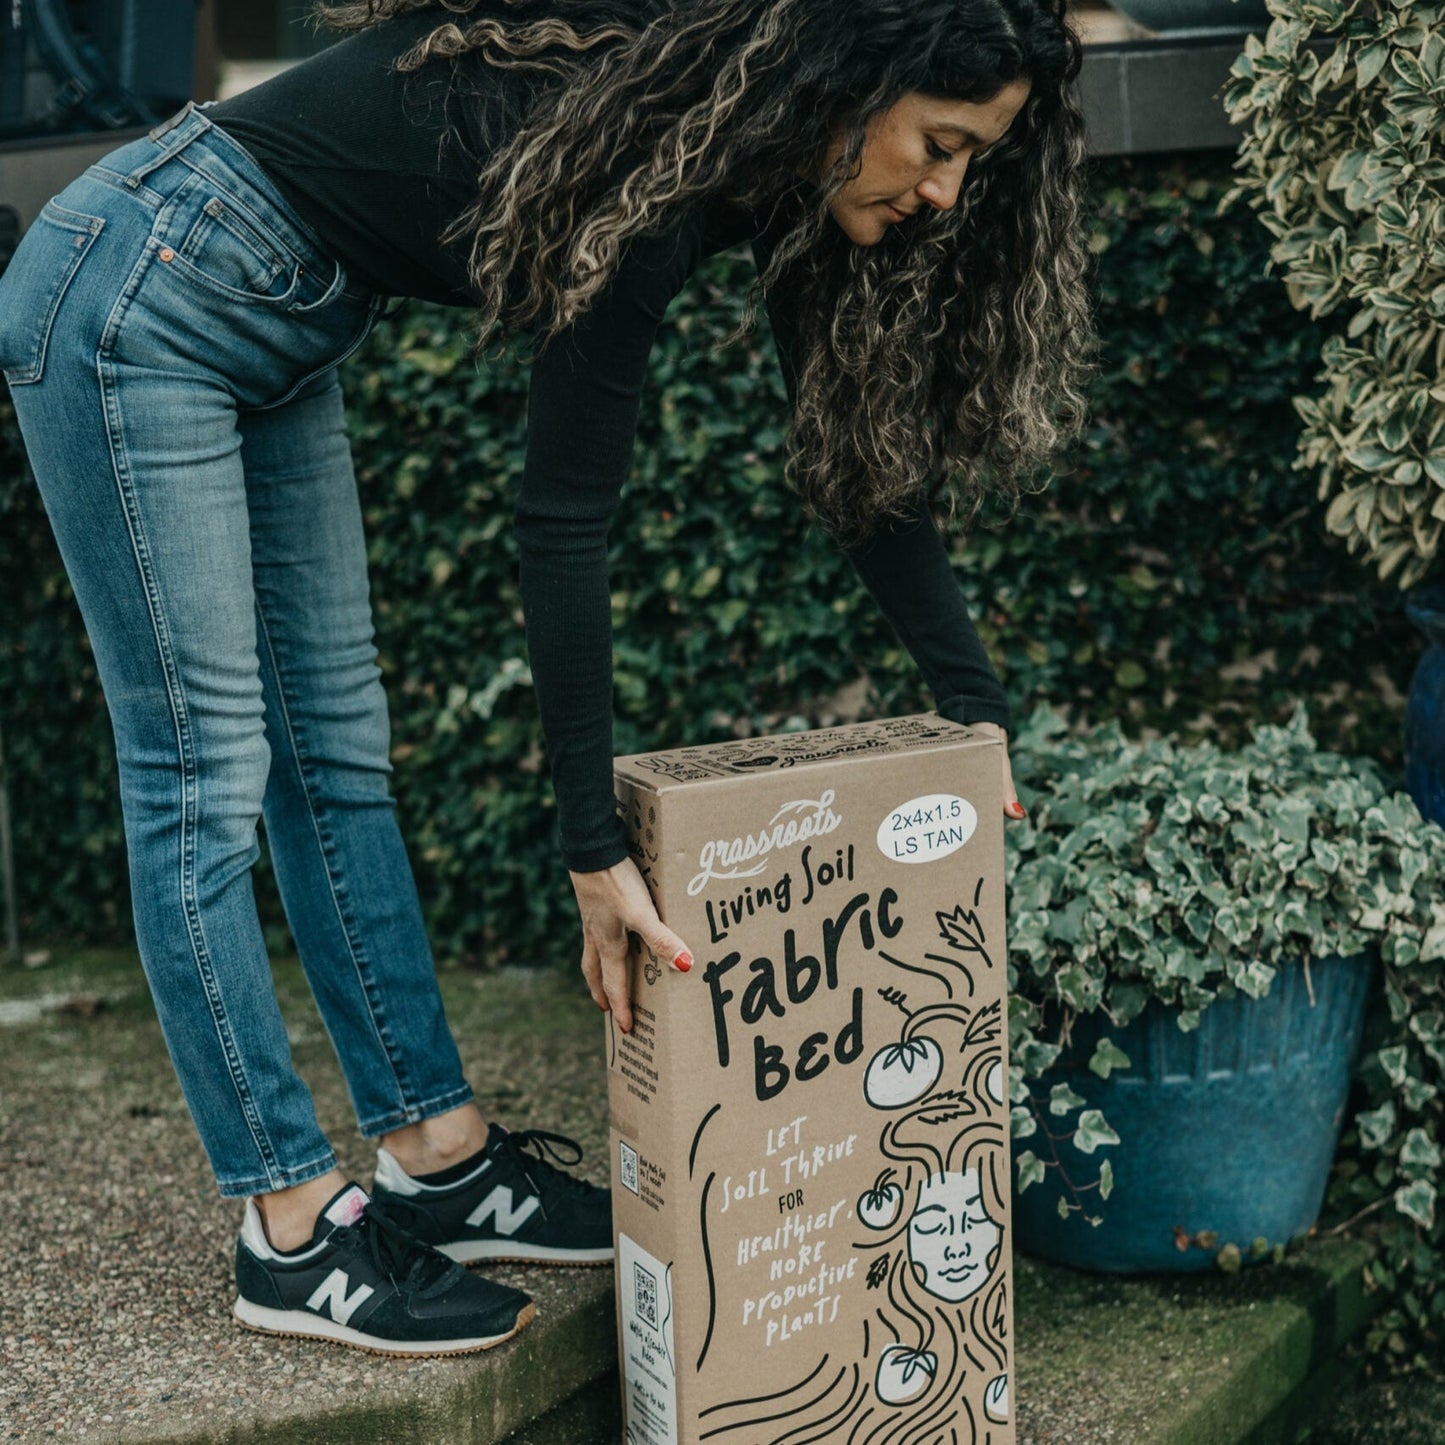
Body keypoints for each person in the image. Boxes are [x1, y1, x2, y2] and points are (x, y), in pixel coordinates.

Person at [0, 0, 1090, 1358]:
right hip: (138, 286)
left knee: (335, 754)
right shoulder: (655, 169)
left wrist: (974, 711)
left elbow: (861, 466)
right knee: (203, 776)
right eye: (940, 145)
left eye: (973, 161)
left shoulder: (765, 167)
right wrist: (593, 848)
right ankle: (286, 1223)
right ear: (855, 84)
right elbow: (565, 516)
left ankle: (437, 1156)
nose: (946, 193)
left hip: (272, 308)